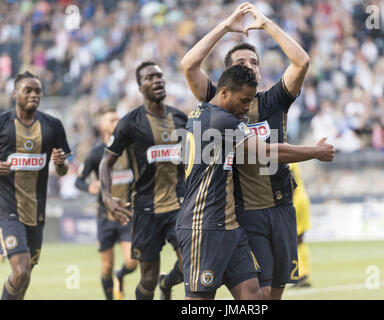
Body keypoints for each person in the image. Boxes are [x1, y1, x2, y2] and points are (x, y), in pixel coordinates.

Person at [181, 3, 311, 299]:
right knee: (257, 294)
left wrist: (267, 25)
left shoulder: (274, 100)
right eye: (241, 62)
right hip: (245, 213)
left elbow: (301, 62)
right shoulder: (218, 99)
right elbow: (189, 65)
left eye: (254, 62)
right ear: (228, 73)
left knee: (271, 296)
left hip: (282, 209)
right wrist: (225, 26)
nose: (249, 66)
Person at [177, 65, 334, 300]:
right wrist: (315, 151)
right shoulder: (222, 121)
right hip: (204, 224)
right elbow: (267, 152)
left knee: (254, 294)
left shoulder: (205, 113)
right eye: (243, 100)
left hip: (229, 226)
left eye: (250, 100)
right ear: (225, 92)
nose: (247, 107)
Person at [99, 61, 187, 300]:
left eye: (159, 76)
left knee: (191, 264)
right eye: (149, 78)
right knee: (147, 278)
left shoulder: (181, 119)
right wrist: (107, 197)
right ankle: (159, 283)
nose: (157, 80)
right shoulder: (129, 123)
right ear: (140, 88)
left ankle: (167, 284)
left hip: (179, 204)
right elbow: (105, 162)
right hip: (146, 209)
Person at [0, 71, 71, 300]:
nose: (34, 95)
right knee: (20, 271)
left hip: (36, 212)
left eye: (37, 91)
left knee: (25, 276)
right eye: (27, 90)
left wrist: (60, 164)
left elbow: (63, 169)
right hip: (7, 210)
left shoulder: (52, 125)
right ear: (14, 94)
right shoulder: (2, 124)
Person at [75, 109, 138, 300]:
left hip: (127, 214)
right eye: (112, 119)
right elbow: (78, 181)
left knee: (132, 262)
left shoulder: (131, 149)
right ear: (103, 126)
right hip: (105, 216)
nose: (116, 122)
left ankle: (120, 275)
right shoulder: (95, 153)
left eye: (118, 118)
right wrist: (90, 187)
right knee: (106, 266)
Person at [290, 162, 312, 288]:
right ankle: (304, 274)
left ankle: (300, 274)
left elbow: (291, 179)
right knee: (300, 240)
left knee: (293, 240)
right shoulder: (288, 151)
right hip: (303, 197)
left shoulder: (279, 151)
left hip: (295, 200)